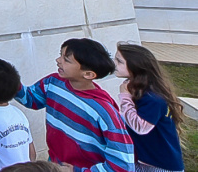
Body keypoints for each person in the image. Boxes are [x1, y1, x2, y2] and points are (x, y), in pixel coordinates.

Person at [15, 38, 135, 172]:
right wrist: (7, 80)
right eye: (60, 55)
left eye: (66, 59)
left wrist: (77, 171)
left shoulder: (104, 111)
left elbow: (123, 165)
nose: (58, 60)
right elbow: (30, 99)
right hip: (55, 166)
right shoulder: (53, 83)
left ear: (88, 74)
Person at [115, 43, 185, 172]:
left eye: (119, 61)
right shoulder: (140, 90)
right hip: (145, 159)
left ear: (136, 66)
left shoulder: (153, 98)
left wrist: (125, 97)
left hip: (160, 166)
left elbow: (140, 127)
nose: (114, 64)